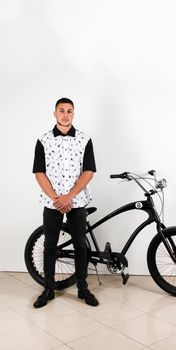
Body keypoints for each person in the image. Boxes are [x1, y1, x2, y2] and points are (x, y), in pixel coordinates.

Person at [32, 97, 99, 308]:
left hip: (76, 200)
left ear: (73, 114)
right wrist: (56, 198)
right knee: (50, 245)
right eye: (61, 110)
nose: (65, 114)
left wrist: (68, 197)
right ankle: (48, 289)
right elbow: (39, 173)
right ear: (54, 113)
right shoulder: (43, 140)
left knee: (80, 245)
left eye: (69, 111)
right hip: (52, 201)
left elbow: (89, 171)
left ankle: (82, 288)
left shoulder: (84, 139)